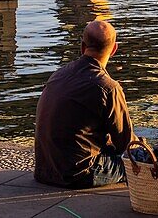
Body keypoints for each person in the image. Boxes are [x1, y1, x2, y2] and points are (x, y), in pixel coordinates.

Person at [34, 20, 134, 189]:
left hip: (44, 171)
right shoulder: (108, 87)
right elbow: (125, 143)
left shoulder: (58, 75)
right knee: (134, 165)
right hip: (79, 175)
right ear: (114, 49)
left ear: (82, 47)